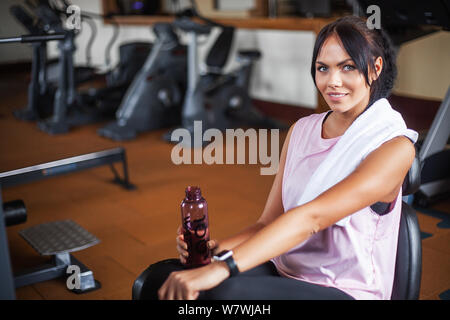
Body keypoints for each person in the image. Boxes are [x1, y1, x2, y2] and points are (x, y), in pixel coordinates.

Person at [143, 15, 418, 300]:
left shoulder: (394, 148)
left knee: (221, 295)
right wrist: (215, 251)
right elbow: (266, 224)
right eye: (323, 68)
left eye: (347, 67)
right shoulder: (301, 130)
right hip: (284, 269)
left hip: (343, 290)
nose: (333, 82)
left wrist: (222, 268)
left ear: (375, 69)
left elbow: (312, 217)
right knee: (156, 280)